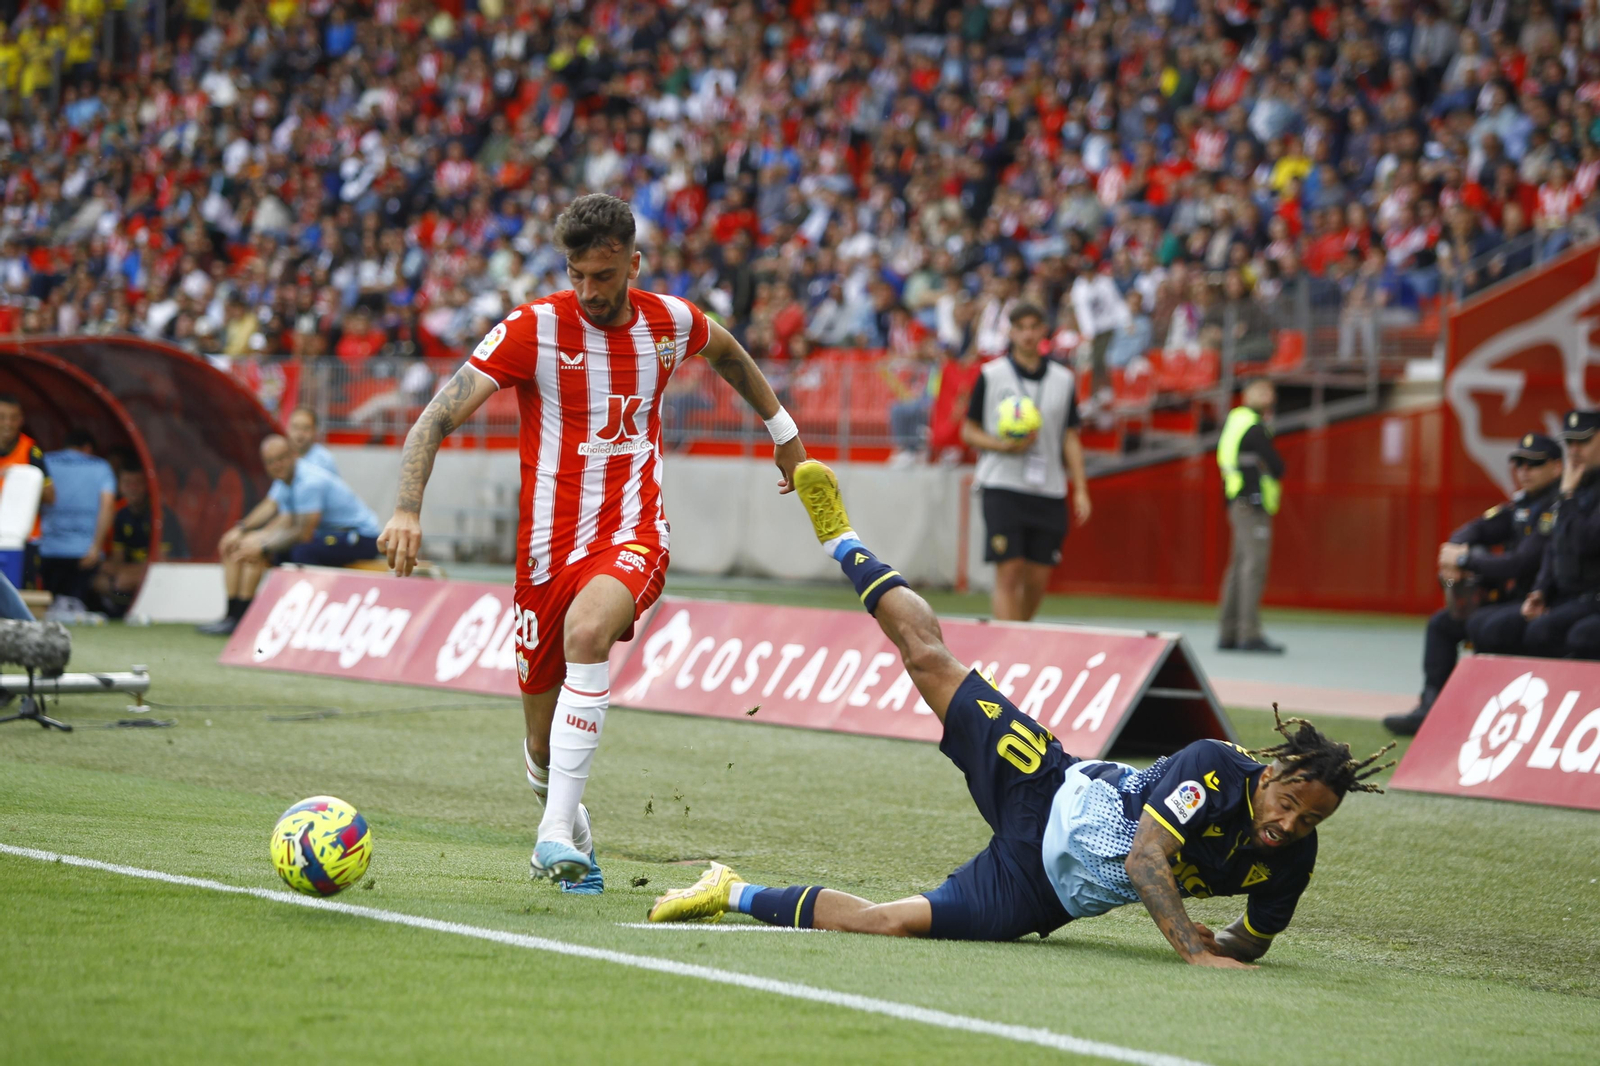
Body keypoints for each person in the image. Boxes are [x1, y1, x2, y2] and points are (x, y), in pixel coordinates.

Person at [648, 461, 1394, 965]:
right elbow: (1142, 860)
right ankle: (842, 536)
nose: (1291, 826)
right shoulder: (1213, 766)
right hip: (1049, 783)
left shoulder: (1291, 858)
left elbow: (1254, 939)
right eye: (1291, 804)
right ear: (1270, 773)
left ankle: (729, 890)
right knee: (928, 659)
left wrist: (1226, 945)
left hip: (1041, 890)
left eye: (1311, 822)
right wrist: (1190, 950)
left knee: (890, 923)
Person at [375, 194, 807, 893]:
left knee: (590, 629)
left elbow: (728, 354)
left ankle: (550, 835)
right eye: (577, 275)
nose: (589, 291)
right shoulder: (533, 329)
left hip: (632, 533)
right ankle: (572, 834)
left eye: (603, 276)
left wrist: (784, 433)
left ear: (633, 263)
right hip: (544, 555)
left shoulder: (669, 322)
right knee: (541, 753)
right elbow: (432, 419)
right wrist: (404, 509)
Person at [1384, 433, 1562, 736]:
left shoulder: (1557, 508)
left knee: (1485, 624)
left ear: (1557, 467)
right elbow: (1475, 529)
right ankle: (1430, 707)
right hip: (1512, 600)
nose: (1524, 470)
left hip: (1545, 602)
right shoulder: (1520, 505)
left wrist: (1466, 561)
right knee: (1443, 623)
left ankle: (1485, 715)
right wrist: (1455, 552)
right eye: (1519, 463)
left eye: (1534, 463)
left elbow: (1521, 563)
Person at [961, 303, 1092, 622]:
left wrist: (1080, 489)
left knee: (1037, 577)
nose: (1028, 334)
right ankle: (1008, 644)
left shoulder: (1063, 379)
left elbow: (1069, 436)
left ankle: (1017, 634)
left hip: (1048, 487)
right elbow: (968, 429)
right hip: (1002, 484)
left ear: (1043, 331)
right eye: (1021, 328)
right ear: (1011, 332)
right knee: (1009, 570)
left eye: (1034, 327)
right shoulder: (992, 375)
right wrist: (1001, 445)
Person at [199, 435, 383, 636]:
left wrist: (263, 545)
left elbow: (303, 532)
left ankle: (309, 621)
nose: (277, 465)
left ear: (293, 456)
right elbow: (274, 510)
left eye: (281, 458)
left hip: (361, 537)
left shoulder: (309, 482)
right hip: (328, 535)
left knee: (300, 552)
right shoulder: (285, 479)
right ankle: (234, 617)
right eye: (271, 461)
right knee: (243, 548)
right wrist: (242, 531)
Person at [1476, 411, 1600, 660]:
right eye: (1570, 443)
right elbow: (1555, 547)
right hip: (1569, 597)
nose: (1574, 450)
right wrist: (1541, 591)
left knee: (1569, 635)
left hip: (1592, 598)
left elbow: (1586, 542)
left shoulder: (1570, 492)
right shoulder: (1576, 488)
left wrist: (1567, 498)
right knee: (1483, 625)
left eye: (1583, 442)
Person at [1217, 380, 1286, 654]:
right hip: (1251, 503)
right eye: (1264, 391)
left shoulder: (1235, 420)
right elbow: (1278, 466)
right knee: (1253, 567)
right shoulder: (1254, 427)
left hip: (1236, 501)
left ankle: (1229, 632)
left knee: (1238, 567)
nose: (1269, 396)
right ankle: (1249, 633)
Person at [93, 461, 188, 619]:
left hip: (169, 573)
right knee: (98, 580)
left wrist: (124, 571)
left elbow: (162, 561)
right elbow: (118, 557)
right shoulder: (121, 516)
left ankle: (126, 611)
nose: (132, 488)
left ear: (147, 486)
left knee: (122, 581)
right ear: (120, 486)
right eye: (127, 483)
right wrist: (112, 566)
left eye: (137, 483)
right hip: (132, 570)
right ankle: (118, 611)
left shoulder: (160, 515)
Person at [38, 430, 116, 607]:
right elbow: (108, 504)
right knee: (77, 609)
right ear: (88, 448)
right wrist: (96, 546)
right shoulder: (100, 467)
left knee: (50, 608)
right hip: (84, 552)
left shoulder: (46, 461)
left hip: (47, 549)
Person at [0, 392, 53, 584]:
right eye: (2, 417)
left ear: (21, 420)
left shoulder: (31, 451)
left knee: (21, 590)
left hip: (24, 538)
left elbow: (50, 496)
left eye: (14, 418)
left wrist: (22, 476)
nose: (8, 424)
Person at [286, 407, 339, 476]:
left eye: (306, 428)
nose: (300, 433)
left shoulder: (324, 460)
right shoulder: (282, 458)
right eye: (295, 427)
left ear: (315, 430)